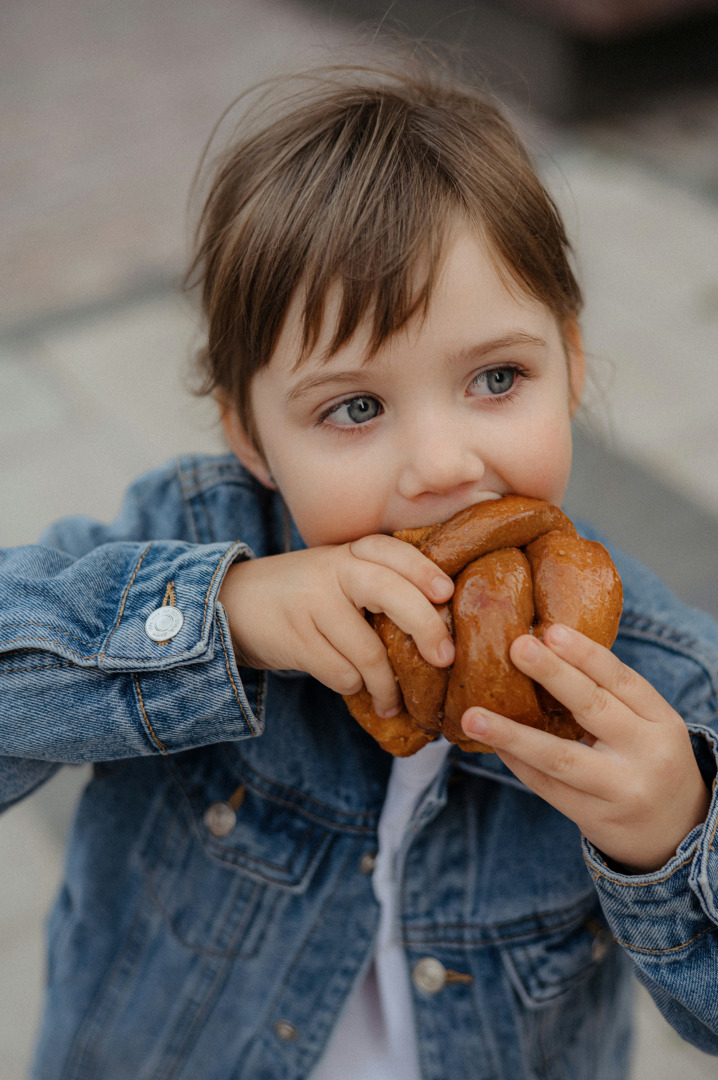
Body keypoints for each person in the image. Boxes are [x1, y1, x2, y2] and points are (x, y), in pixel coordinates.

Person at [1, 56, 717, 1080]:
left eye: (496, 377)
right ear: (250, 436)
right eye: (355, 408)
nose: (439, 466)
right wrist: (226, 617)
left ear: (570, 364)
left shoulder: (659, 685)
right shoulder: (188, 537)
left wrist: (675, 837)